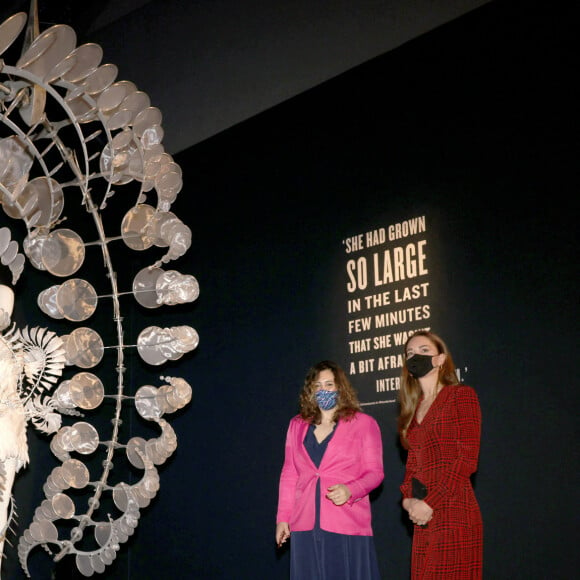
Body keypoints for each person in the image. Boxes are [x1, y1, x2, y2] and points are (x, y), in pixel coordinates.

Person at [276, 360, 384, 580]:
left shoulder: (364, 423)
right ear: (310, 391)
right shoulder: (297, 425)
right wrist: (282, 518)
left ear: (340, 388)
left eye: (329, 384)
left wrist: (350, 490)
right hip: (304, 524)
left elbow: (375, 473)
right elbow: (290, 474)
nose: (323, 390)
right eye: (317, 386)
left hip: (346, 522)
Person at [398, 330, 483, 579]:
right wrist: (408, 500)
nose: (416, 356)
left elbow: (466, 459)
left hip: (454, 509)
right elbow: (412, 466)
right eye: (410, 353)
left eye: (424, 351)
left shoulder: (461, 395)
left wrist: (429, 503)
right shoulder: (414, 410)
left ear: (440, 359)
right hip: (423, 517)